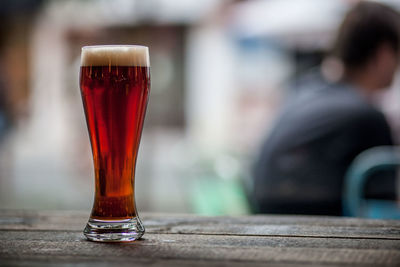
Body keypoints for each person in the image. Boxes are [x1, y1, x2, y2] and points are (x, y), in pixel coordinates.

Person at [251, 1, 400, 215]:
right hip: (315, 226)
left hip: (266, 212)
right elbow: (385, 208)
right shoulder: (366, 116)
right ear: (383, 55)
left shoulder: (304, 88)